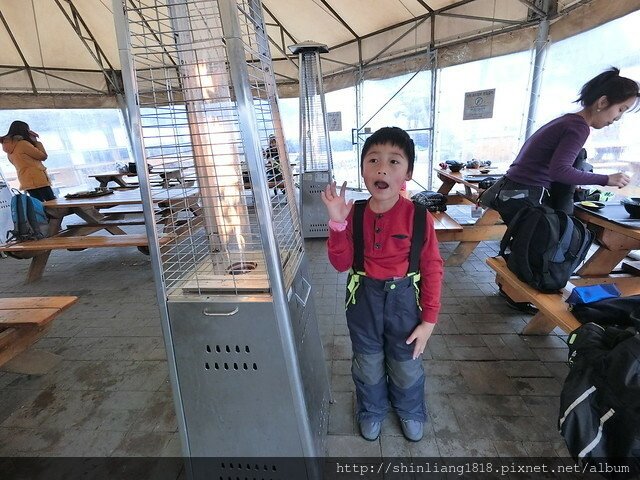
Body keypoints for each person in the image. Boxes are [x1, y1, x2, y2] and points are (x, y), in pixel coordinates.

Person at [320, 127, 443, 442]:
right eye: (373, 160)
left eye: (394, 161)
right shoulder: (355, 213)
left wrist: (429, 320)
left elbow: (431, 266)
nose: (382, 168)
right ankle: (371, 409)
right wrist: (337, 223)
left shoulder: (418, 216)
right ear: (363, 170)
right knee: (368, 362)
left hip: (405, 303)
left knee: (406, 363)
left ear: (408, 173)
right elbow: (340, 264)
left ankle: (410, 409)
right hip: (364, 302)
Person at [480, 67, 638, 225]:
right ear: (602, 102)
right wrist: (606, 179)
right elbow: (560, 171)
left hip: (509, 189)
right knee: (553, 243)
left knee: (530, 245)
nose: (618, 118)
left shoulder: (566, 121)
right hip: (528, 193)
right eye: (620, 109)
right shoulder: (579, 128)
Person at [1, 120, 55, 202]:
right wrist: (36, 142)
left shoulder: (8, 147)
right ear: (24, 130)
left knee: (39, 207)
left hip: (25, 180)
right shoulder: (23, 144)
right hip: (37, 179)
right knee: (52, 204)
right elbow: (43, 156)